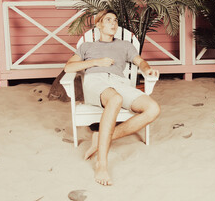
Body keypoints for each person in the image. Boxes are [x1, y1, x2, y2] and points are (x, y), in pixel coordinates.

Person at [64, 10, 161, 186]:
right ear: (98, 24)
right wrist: (95, 62)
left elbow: (140, 62)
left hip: (119, 83)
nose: (113, 23)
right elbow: (69, 68)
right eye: (108, 20)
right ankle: (102, 164)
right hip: (96, 82)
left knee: (153, 109)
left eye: (115, 20)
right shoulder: (87, 47)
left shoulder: (125, 45)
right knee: (115, 99)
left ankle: (100, 137)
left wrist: (147, 70)